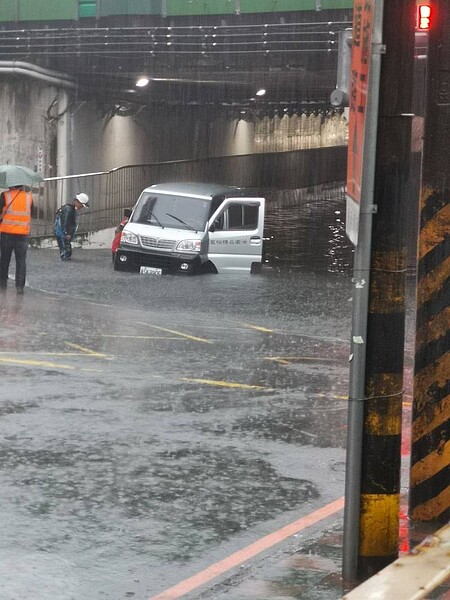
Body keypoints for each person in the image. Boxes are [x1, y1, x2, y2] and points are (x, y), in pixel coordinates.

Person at [0, 185, 34, 294]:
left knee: (4, 259)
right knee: (21, 260)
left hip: (7, 232)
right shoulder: (29, 197)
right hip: (23, 233)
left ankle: (2, 283)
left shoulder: (5, 195)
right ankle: (20, 286)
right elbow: (31, 212)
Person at [54, 193, 89, 261]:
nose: (81, 207)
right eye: (81, 205)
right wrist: (66, 233)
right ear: (77, 202)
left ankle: (66, 258)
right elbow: (65, 221)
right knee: (65, 250)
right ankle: (64, 259)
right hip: (62, 233)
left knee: (66, 249)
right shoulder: (69, 209)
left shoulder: (70, 208)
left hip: (63, 232)